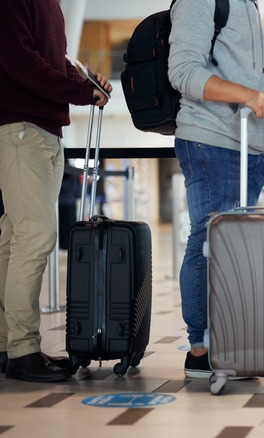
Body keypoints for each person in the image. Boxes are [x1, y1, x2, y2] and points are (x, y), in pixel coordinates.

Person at [168, 0, 264, 378]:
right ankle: (200, 350)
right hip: (210, 139)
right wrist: (248, 96)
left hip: (247, 143)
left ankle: (228, 341)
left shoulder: (246, 3)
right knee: (208, 239)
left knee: (230, 248)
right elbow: (182, 71)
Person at [0, 0, 112, 382]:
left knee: (14, 236)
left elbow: (53, 61)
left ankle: (7, 344)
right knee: (35, 234)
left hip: (43, 129)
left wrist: (85, 83)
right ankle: (22, 351)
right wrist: (77, 92)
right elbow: (20, 62)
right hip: (20, 127)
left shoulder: (51, 5)